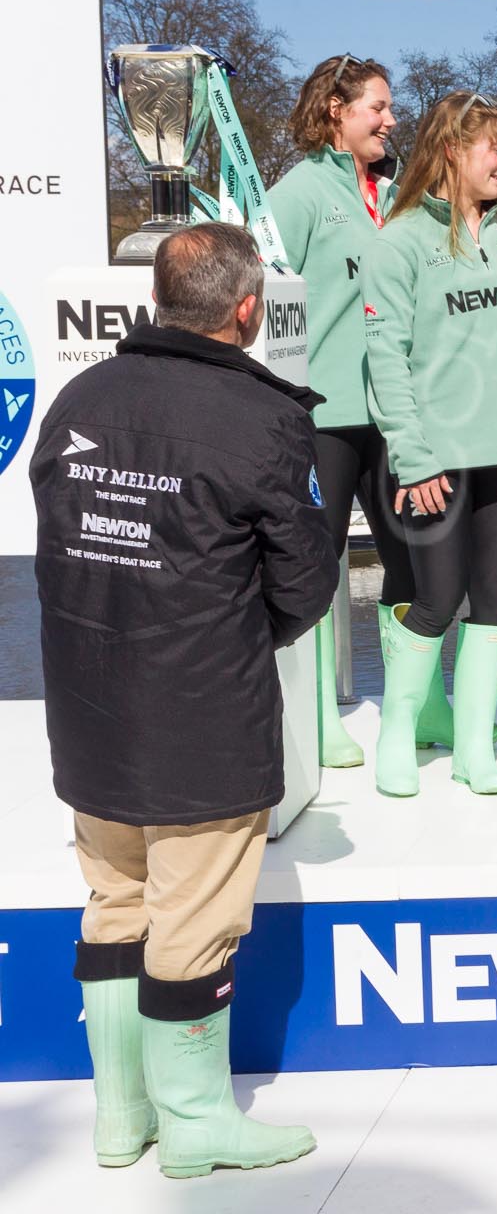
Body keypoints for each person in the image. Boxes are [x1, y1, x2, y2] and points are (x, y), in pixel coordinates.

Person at [31, 222, 330, 1177]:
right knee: (194, 920)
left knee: (115, 901)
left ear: (157, 297)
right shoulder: (263, 417)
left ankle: (121, 1117)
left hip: (88, 706)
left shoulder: (83, 393)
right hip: (201, 714)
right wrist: (243, 639)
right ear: (247, 310)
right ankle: (194, 1123)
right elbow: (307, 582)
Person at [364, 91, 497, 798]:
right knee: (436, 598)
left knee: (493, 595)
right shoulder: (399, 243)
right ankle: (396, 738)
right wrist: (413, 454)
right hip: (437, 459)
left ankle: (470, 752)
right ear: (453, 149)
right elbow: (385, 359)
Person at [272, 53, 470, 768]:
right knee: (320, 568)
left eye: (390, 110)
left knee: (413, 557)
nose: (391, 121)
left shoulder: (397, 195)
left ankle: (421, 705)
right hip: (323, 417)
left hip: (397, 413)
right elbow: (266, 300)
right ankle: (320, 715)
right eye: (377, 109)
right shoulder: (298, 193)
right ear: (335, 109)